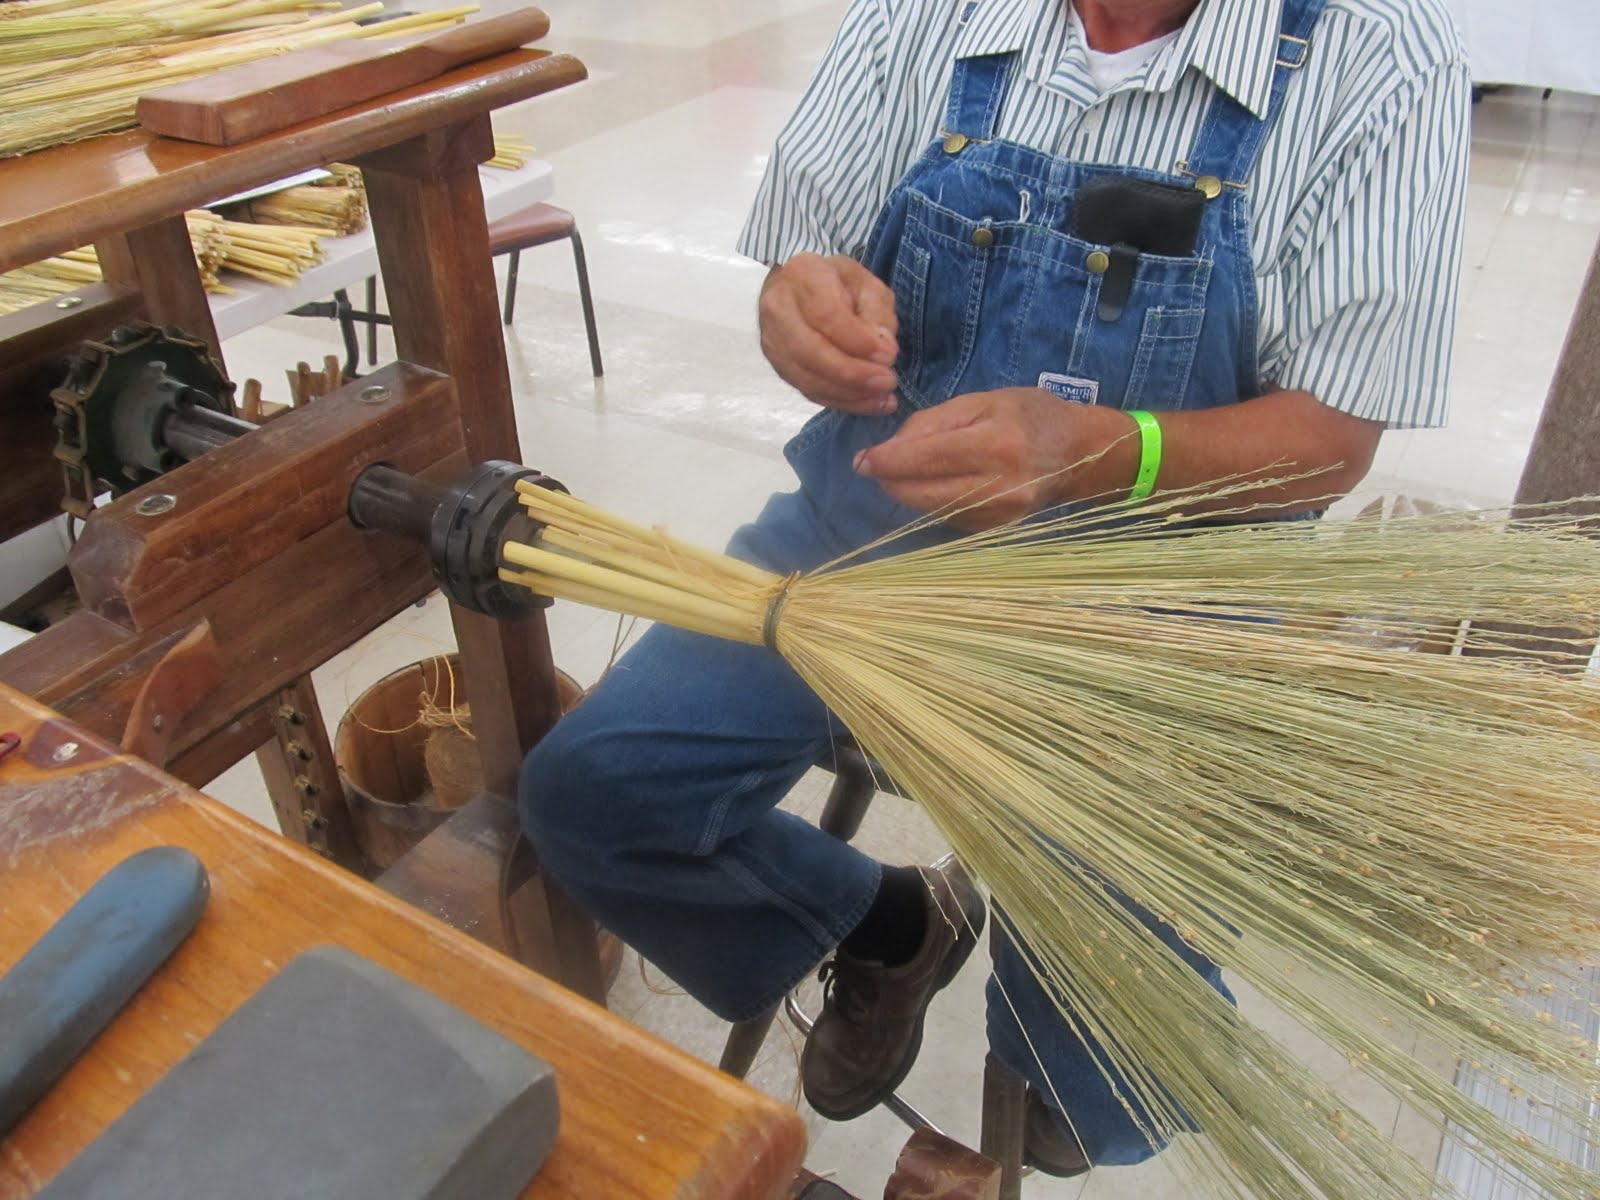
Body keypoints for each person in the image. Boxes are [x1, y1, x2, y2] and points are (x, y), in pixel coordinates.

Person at [521, 0, 1469, 1175]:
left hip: (1149, 612)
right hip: (862, 550)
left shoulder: (1376, 56)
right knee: (594, 796)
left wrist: (1097, 450)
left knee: (1106, 1045)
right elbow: (806, 253)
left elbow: (1330, 439)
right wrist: (798, 310)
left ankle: (1069, 1082)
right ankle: (893, 927)